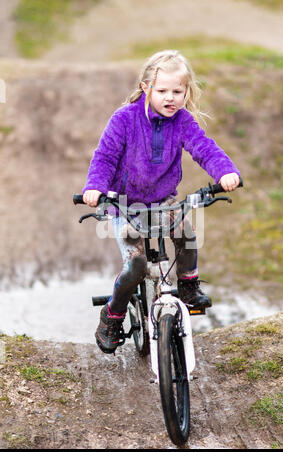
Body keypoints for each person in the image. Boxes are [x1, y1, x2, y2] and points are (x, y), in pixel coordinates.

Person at [82, 50, 240, 354]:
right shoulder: (124, 119)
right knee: (137, 265)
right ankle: (112, 317)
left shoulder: (182, 121)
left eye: (178, 91)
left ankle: (188, 286)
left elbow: (204, 149)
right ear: (146, 88)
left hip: (164, 201)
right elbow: (104, 157)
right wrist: (95, 188)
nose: (171, 98)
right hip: (125, 206)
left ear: (186, 92)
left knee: (186, 234)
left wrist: (226, 172)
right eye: (163, 90)